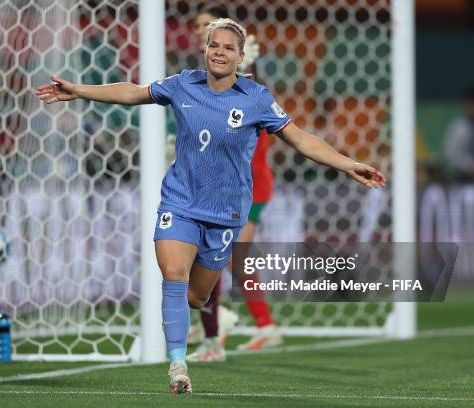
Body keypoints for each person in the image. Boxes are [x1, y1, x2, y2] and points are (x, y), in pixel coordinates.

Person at [36, 18, 386, 395]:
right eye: (214, 45)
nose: (220, 52)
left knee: (196, 296)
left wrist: (349, 164)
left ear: (240, 56)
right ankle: (178, 366)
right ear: (205, 49)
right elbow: (133, 92)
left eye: (228, 48)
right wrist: (80, 91)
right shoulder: (183, 83)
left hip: (225, 214)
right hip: (180, 201)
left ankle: (211, 319)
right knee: (173, 273)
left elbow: (301, 140)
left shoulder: (256, 98)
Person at [186, 6, 281, 363]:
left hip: (250, 184)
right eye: (197, 26)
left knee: (227, 256)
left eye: (205, 24)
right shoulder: (197, 78)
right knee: (225, 257)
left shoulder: (244, 79)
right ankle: (246, 323)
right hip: (220, 185)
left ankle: (232, 324)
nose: (199, 30)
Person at [443, 89, 474, 182]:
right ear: (468, 105)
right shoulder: (459, 126)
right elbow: (449, 153)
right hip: (462, 179)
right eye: (473, 104)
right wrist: (471, 165)